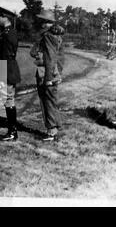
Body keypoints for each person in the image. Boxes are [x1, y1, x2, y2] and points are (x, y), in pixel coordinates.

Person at [33, 9, 65, 141]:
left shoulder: (48, 36)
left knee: (47, 102)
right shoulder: (54, 35)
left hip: (47, 73)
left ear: (47, 22)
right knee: (51, 101)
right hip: (52, 72)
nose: (40, 23)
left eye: (42, 21)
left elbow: (51, 58)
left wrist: (48, 78)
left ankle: (51, 131)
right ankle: (55, 128)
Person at [0, 7, 21, 141]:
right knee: (8, 100)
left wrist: (0, 75)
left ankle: (12, 132)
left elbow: (4, 56)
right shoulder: (9, 32)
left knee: (8, 100)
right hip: (9, 68)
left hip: (7, 69)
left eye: (0, 17)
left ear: (6, 18)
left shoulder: (8, 34)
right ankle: (12, 130)